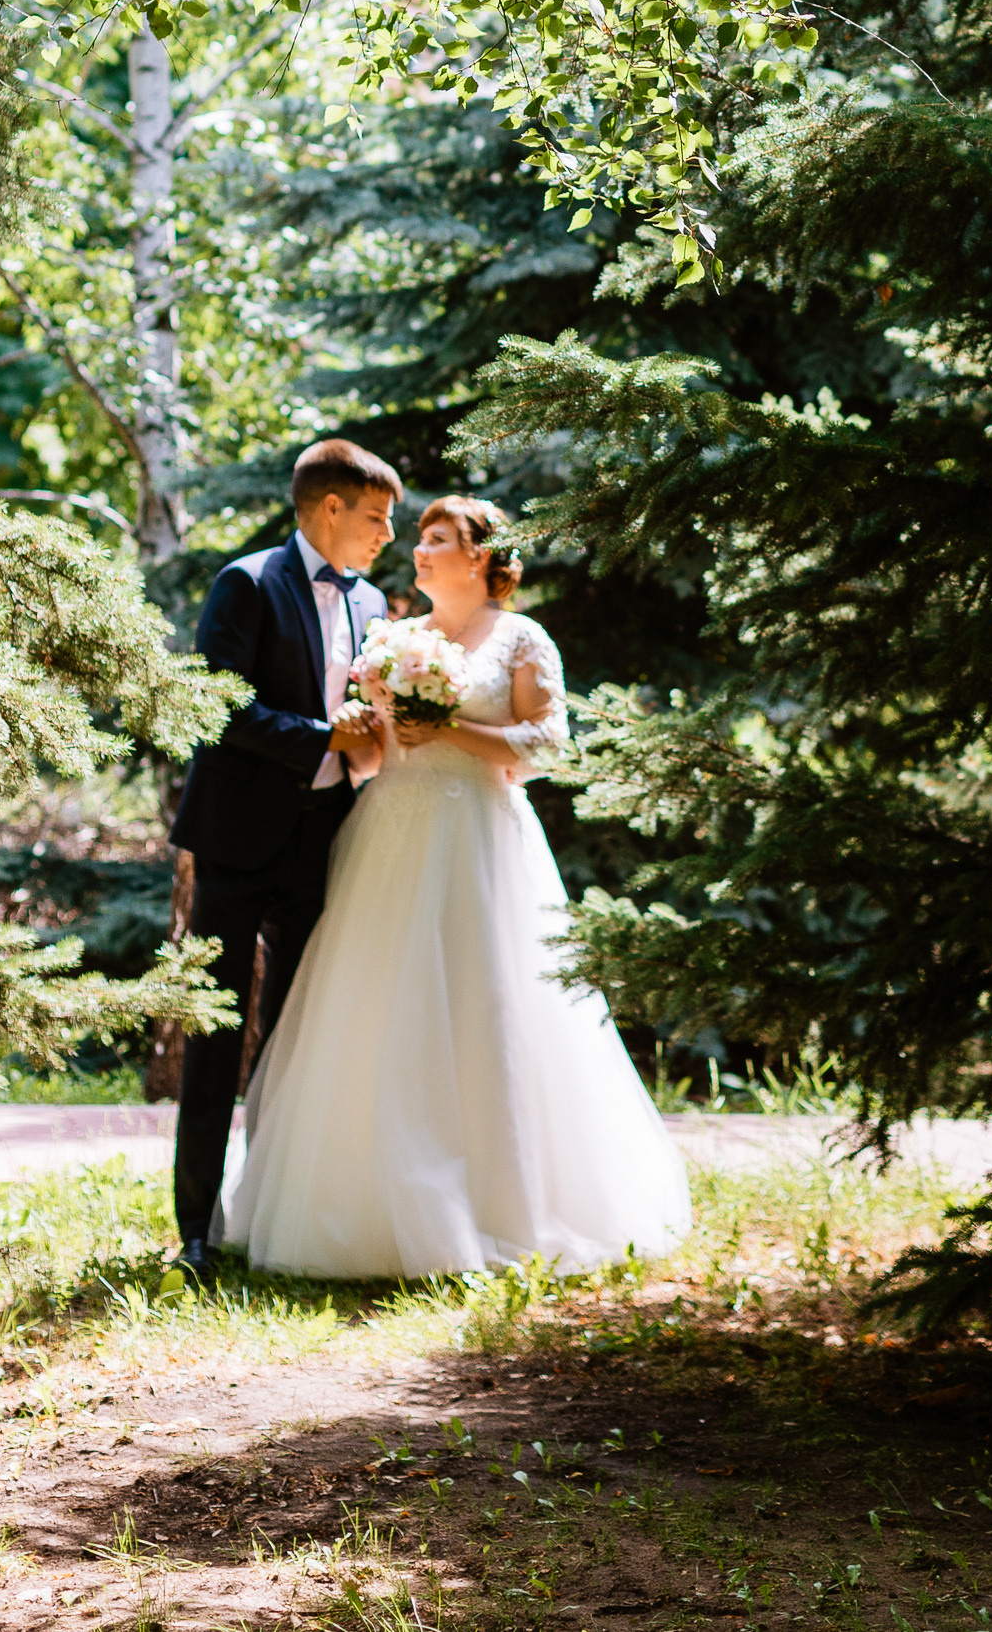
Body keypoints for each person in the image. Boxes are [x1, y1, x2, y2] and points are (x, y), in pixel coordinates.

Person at [216, 493, 690, 1278]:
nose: (417, 550)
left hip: (480, 840)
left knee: (486, 1004)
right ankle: (364, 1208)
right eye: (420, 538)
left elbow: (547, 744)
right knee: (379, 1010)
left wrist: (452, 728)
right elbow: (376, 759)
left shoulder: (520, 638)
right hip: (390, 834)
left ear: (479, 555)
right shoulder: (399, 636)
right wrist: (364, 732)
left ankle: (502, 1205)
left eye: (436, 538)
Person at [167, 437, 400, 1280]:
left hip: (326, 837)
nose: (386, 535)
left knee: (300, 1035)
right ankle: (197, 1228)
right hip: (237, 837)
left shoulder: (372, 601)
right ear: (330, 508)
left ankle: (271, 1213)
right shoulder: (248, 581)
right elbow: (219, 705)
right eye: (375, 517)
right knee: (216, 1032)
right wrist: (320, 736)